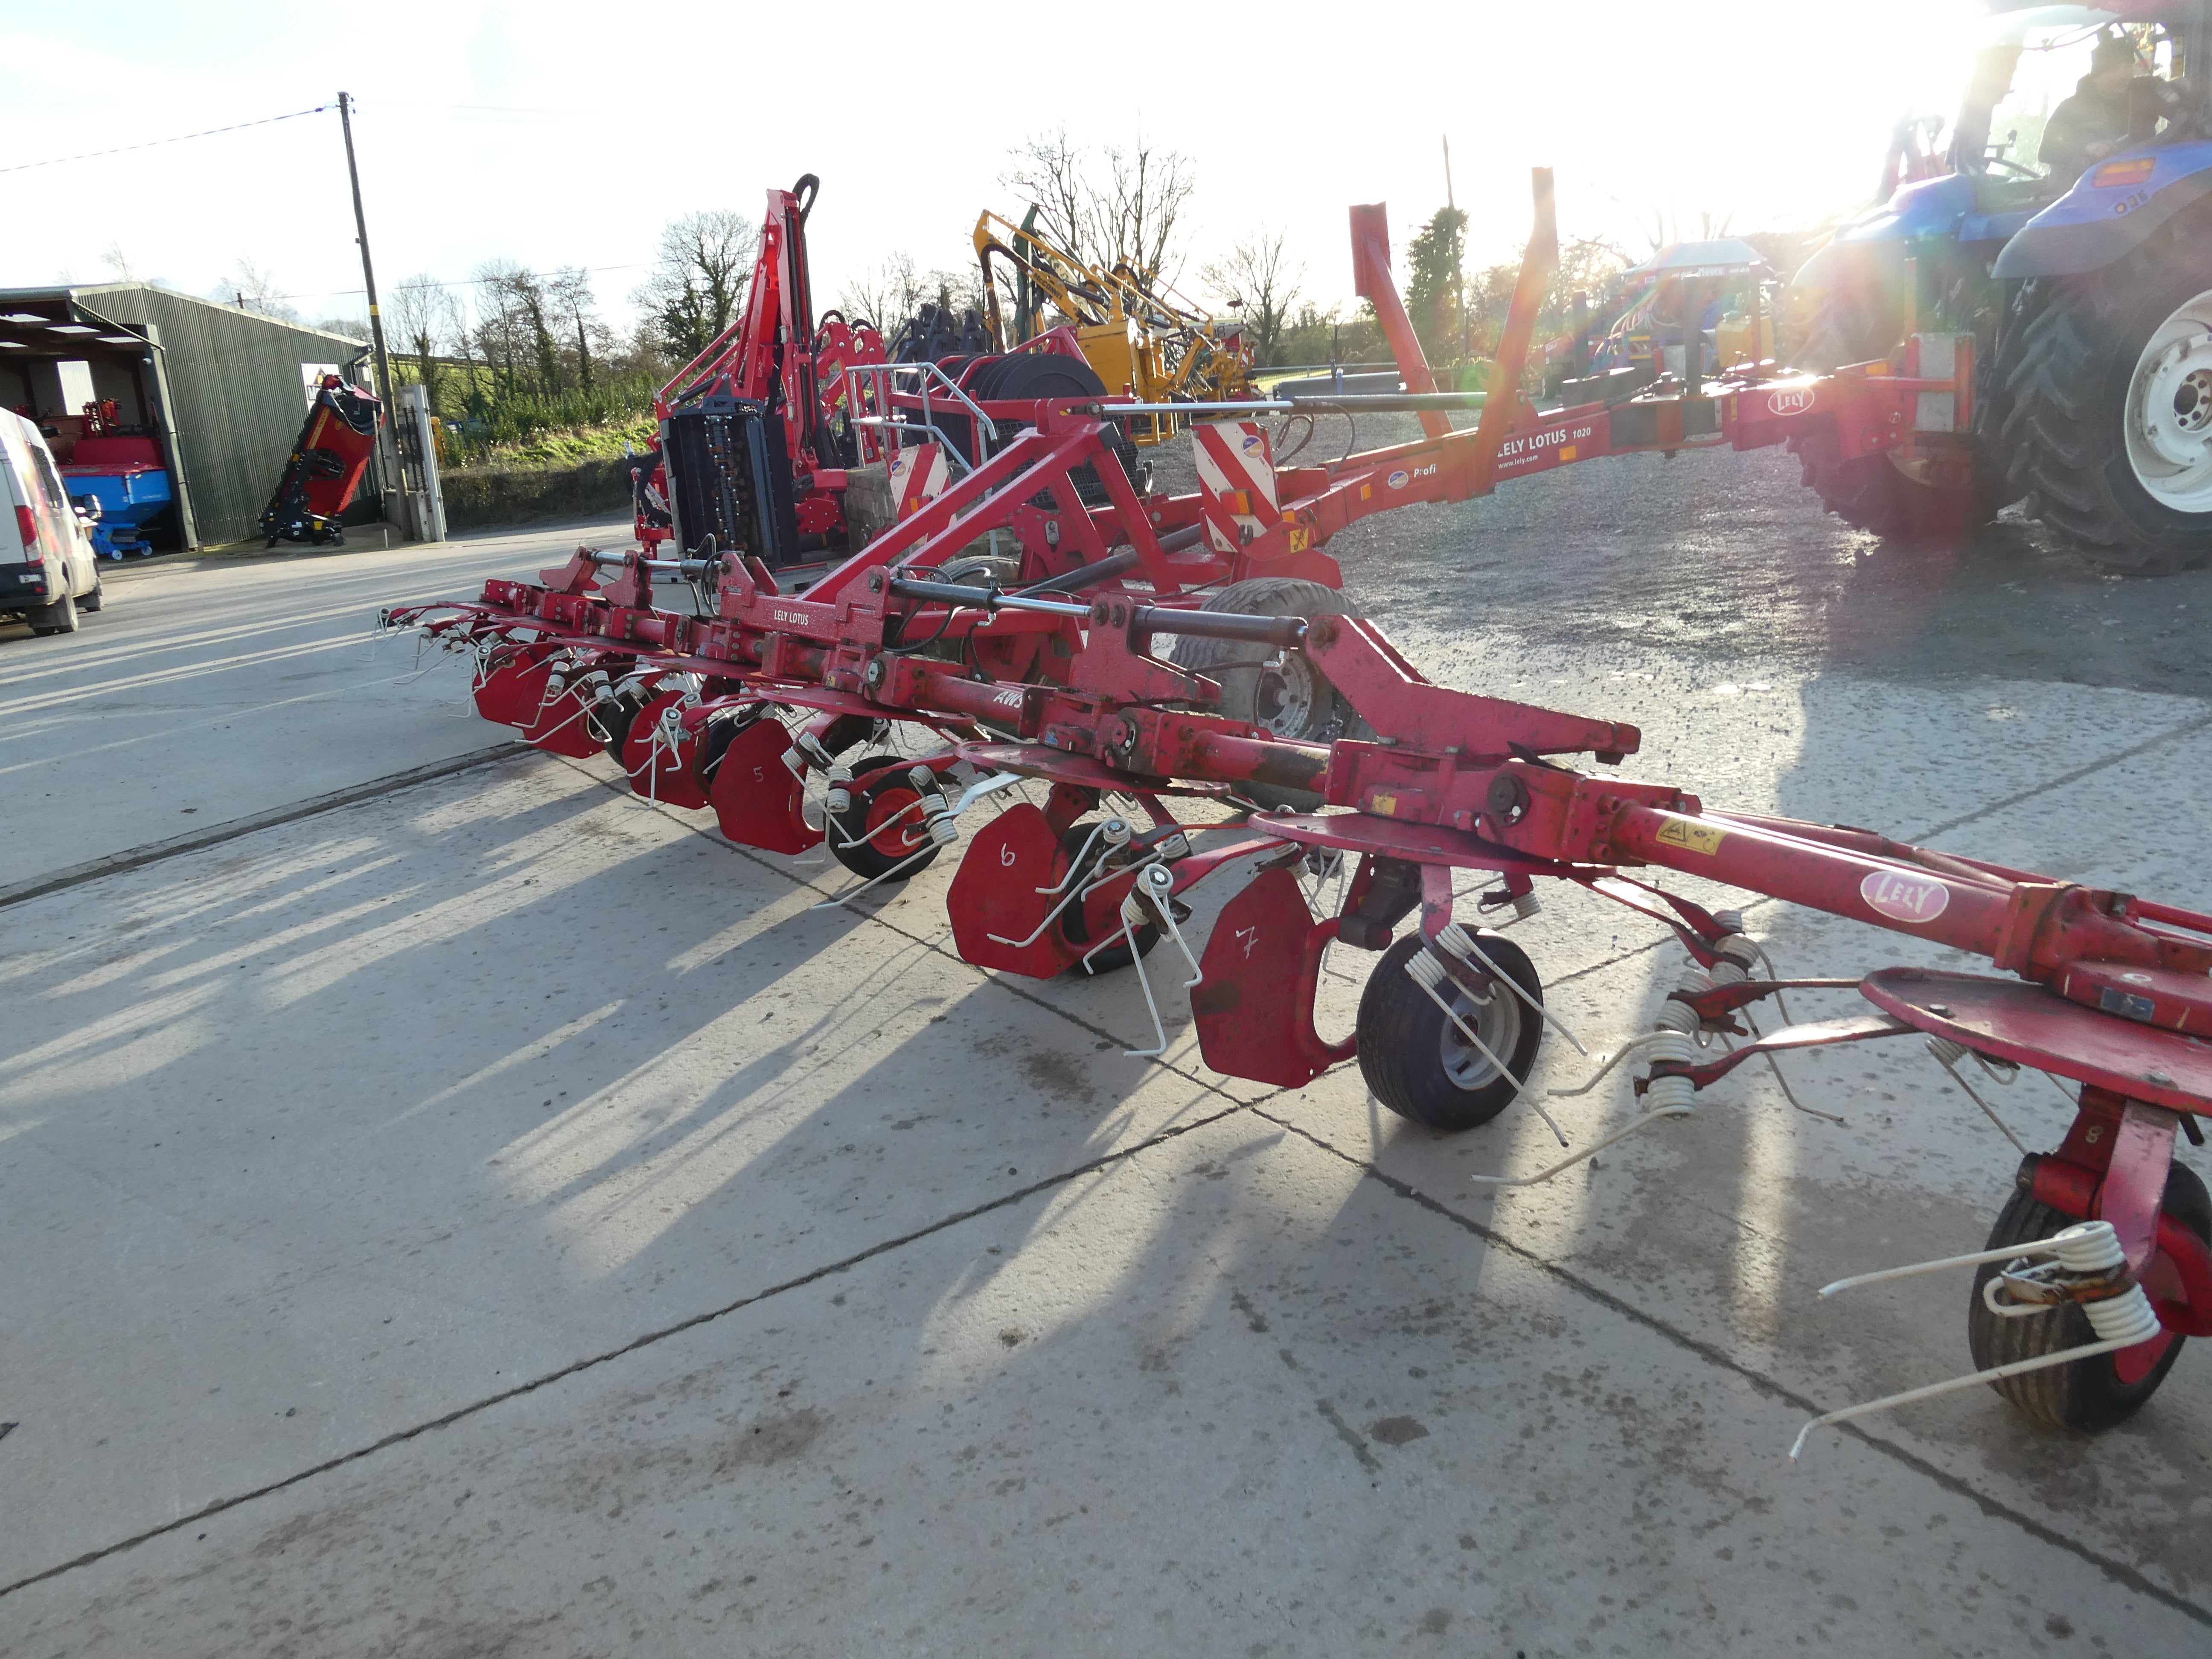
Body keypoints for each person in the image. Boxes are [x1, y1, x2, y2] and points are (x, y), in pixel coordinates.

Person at [2038, 34, 2142, 181]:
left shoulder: (2138, 103)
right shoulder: (2071, 108)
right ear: (2097, 75)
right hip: (2074, 193)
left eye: (2128, 68)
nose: (2124, 76)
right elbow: (2046, 151)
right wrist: (2087, 148)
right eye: (2116, 70)